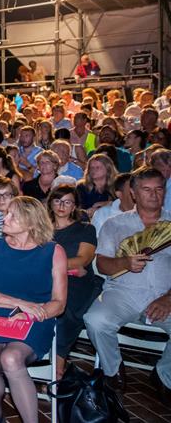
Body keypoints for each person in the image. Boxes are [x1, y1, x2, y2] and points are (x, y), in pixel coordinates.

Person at [0, 196, 68, 423]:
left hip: (36, 317)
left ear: (30, 222)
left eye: (11, 215)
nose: (4, 218)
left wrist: (29, 311)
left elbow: (59, 303)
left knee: (11, 358)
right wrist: (20, 303)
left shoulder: (54, 252)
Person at [83, 167, 171, 395]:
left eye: (159, 189)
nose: (154, 195)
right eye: (146, 189)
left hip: (166, 294)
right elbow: (102, 265)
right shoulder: (115, 224)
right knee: (95, 320)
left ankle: (163, 374)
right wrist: (124, 263)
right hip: (123, 292)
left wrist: (168, 297)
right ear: (133, 193)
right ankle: (112, 370)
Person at [47, 185, 102, 378]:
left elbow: (83, 260)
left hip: (77, 283)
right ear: (51, 203)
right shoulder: (42, 229)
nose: (61, 205)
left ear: (74, 206)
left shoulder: (85, 229)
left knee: (65, 308)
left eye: (67, 201)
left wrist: (49, 264)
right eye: (57, 200)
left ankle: (57, 368)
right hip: (49, 278)